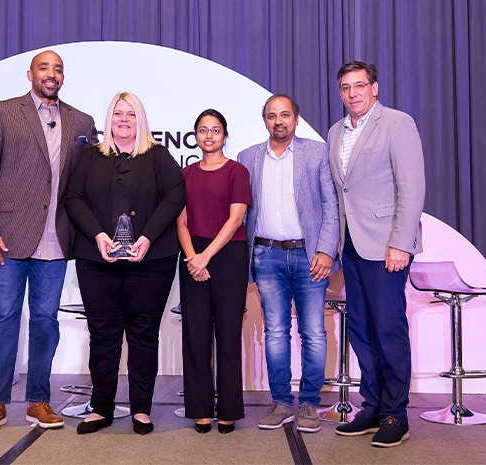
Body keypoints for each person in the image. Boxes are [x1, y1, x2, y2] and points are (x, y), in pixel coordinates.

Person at [0, 50, 98, 434]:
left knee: (45, 322)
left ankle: (38, 400)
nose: (52, 74)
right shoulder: (2, 112)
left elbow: (88, 180)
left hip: (57, 240)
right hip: (6, 237)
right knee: (5, 318)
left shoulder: (82, 121)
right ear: (30, 74)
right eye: (44, 67)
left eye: (58, 68)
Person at [65, 91, 186, 435]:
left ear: (141, 119)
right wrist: (98, 236)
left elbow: (175, 196)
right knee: (103, 335)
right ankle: (101, 407)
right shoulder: (91, 158)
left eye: (131, 114)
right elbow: (73, 198)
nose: (124, 119)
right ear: (109, 119)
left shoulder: (159, 156)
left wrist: (146, 237)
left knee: (143, 335)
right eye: (118, 113)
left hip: (151, 261)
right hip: (96, 260)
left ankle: (141, 410)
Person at [328, 61, 425, 447]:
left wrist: (400, 242)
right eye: (345, 87)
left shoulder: (398, 124)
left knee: (388, 329)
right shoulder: (336, 132)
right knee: (362, 331)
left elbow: (412, 187)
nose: (352, 93)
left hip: (387, 246)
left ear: (374, 88)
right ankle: (371, 406)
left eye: (359, 85)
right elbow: (343, 193)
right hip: (351, 245)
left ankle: (395, 414)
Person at [237, 94, 339, 433]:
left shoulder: (317, 152)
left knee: (313, 332)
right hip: (266, 256)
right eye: (271, 116)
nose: (278, 121)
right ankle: (281, 401)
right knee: (276, 332)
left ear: (296, 118)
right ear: (264, 120)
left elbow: (330, 205)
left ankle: (309, 402)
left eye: (285, 115)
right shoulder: (247, 157)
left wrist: (326, 250)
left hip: (310, 257)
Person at [176, 109, 251, 435]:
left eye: (215, 130)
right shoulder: (185, 174)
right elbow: (180, 221)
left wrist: (206, 257)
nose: (209, 136)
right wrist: (194, 257)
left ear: (224, 135)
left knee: (228, 334)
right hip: (193, 254)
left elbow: (236, 219)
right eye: (203, 130)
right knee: (195, 335)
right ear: (195, 136)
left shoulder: (237, 171)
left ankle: (229, 410)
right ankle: (200, 408)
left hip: (228, 254)